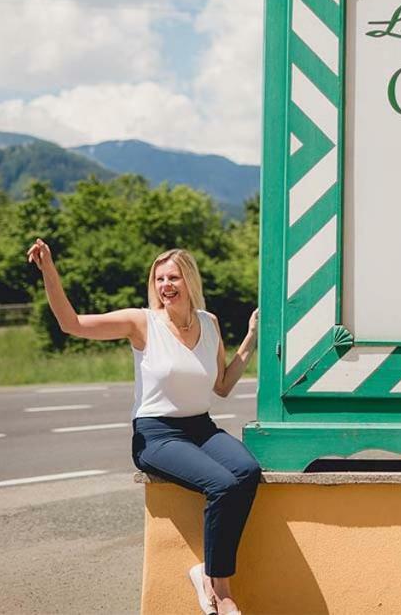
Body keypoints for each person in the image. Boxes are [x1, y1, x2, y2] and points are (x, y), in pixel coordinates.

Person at [27, 239, 261, 615]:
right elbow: (72, 324)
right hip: (157, 435)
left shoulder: (209, 322)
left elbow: (222, 385)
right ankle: (220, 588)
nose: (166, 285)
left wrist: (250, 339)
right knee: (221, 485)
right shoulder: (143, 323)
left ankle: (206, 572)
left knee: (247, 472)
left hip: (202, 428)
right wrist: (48, 269)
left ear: (190, 281)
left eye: (174, 277)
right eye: (160, 279)